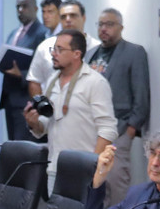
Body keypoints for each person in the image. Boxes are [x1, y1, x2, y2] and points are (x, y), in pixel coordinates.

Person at [23, 29, 115, 189]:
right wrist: (34, 123)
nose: (53, 54)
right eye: (53, 49)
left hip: (83, 170)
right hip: (54, 169)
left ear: (76, 54)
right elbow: (47, 126)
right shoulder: (52, 81)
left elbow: (108, 129)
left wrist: (94, 166)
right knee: (54, 207)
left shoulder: (95, 83)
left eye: (59, 49)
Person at [87, 10, 149, 206]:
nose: (104, 28)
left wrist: (131, 130)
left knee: (115, 184)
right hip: (91, 130)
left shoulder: (134, 52)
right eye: (100, 24)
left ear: (121, 27)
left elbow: (141, 94)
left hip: (119, 130)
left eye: (109, 24)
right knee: (92, 182)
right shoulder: (90, 54)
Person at [0, 0, 48, 141]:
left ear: (35, 9)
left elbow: (43, 69)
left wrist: (22, 74)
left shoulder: (42, 33)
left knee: (23, 147)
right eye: (18, 7)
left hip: (26, 99)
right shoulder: (14, 33)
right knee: (13, 144)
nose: (20, 10)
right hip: (9, 99)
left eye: (24, 6)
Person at [25, 0, 84, 97]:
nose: (68, 20)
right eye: (63, 17)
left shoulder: (94, 47)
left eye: (73, 16)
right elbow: (34, 80)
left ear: (83, 18)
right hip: (52, 102)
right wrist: (41, 105)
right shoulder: (45, 46)